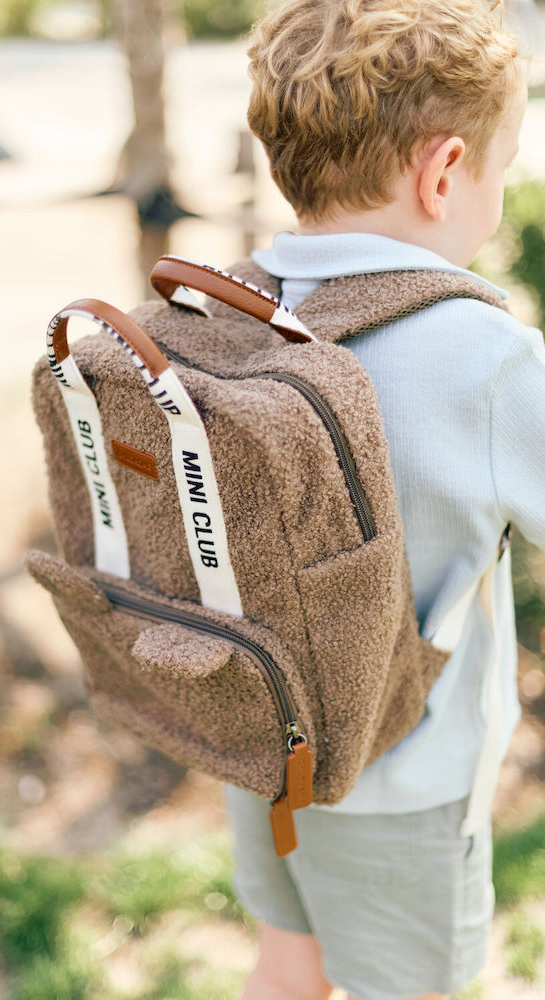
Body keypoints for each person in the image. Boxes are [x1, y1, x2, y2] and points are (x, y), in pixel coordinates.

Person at [224, 2, 545, 999]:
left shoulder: (226, 308)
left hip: (255, 735)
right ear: (444, 172)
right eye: (502, 168)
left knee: (289, 961)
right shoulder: (485, 358)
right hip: (402, 781)